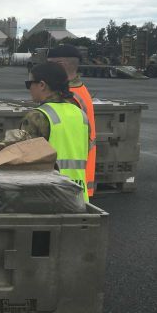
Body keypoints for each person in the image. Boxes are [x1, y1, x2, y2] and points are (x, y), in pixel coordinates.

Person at [20, 61, 90, 202]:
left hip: (49, 197)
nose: (29, 89)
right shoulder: (79, 114)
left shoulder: (37, 116)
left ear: (42, 85)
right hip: (79, 195)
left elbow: (24, 161)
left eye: (29, 84)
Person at [47, 45, 97, 198]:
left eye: (49, 64)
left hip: (66, 180)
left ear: (61, 65)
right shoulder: (80, 90)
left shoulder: (69, 98)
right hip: (77, 176)